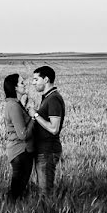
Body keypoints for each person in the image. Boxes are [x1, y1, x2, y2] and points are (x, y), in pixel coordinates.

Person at [30, 65, 65, 197]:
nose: (33, 83)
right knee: (42, 191)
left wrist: (35, 115)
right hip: (43, 150)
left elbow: (54, 128)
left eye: (36, 79)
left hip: (48, 151)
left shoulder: (53, 99)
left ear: (46, 80)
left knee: (45, 193)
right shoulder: (47, 97)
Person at [2, 73, 35, 200]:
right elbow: (23, 134)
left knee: (17, 191)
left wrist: (23, 105)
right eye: (22, 83)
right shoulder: (13, 106)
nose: (25, 84)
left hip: (19, 151)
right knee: (17, 193)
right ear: (15, 88)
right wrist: (34, 116)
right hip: (21, 152)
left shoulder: (14, 104)